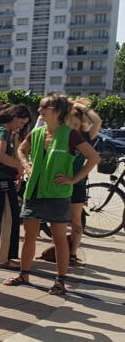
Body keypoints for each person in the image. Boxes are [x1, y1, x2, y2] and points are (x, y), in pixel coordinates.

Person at [5, 94, 99, 295]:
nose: (39, 111)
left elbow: (93, 157)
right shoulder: (37, 133)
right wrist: (26, 166)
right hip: (34, 191)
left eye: (43, 108)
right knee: (29, 236)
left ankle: (60, 281)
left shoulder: (71, 134)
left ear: (57, 111)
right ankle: (24, 274)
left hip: (58, 193)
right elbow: (22, 150)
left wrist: (73, 179)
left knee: (58, 239)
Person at [0, 104, 31, 270]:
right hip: (1, 178)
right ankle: (3, 258)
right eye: (22, 122)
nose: (21, 126)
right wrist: (19, 166)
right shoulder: (2, 131)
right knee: (9, 216)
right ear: (15, 116)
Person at [66, 100, 102, 265]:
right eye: (69, 120)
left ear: (81, 122)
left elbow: (97, 121)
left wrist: (79, 106)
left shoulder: (85, 137)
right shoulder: (60, 134)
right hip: (59, 183)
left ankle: (72, 253)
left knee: (75, 220)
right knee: (56, 219)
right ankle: (62, 250)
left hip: (77, 184)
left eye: (75, 121)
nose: (72, 124)